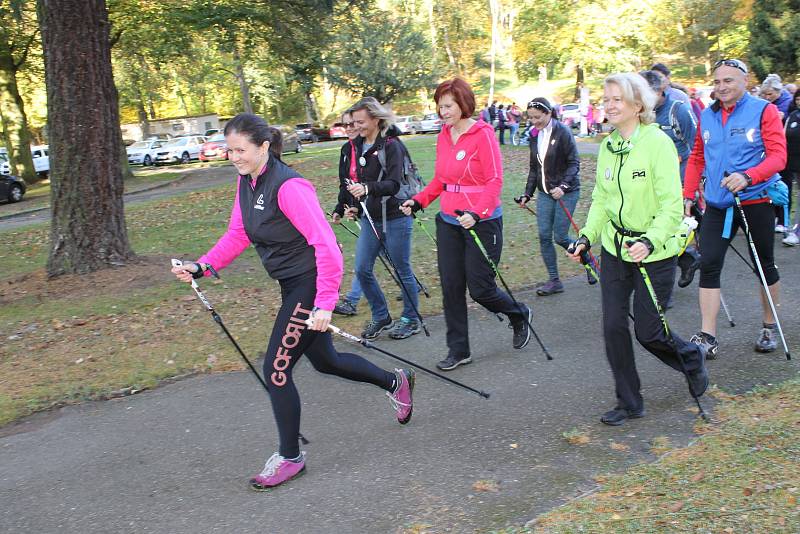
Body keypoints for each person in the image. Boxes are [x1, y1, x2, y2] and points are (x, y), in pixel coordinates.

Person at [170, 114, 415, 490]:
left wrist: (325, 303)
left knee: (276, 370)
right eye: (229, 150)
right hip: (291, 284)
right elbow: (238, 234)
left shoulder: (290, 187)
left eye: (241, 150)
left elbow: (327, 246)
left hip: (310, 283)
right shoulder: (246, 182)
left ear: (264, 146)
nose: (233, 157)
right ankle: (395, 381)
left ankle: (290, 457)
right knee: (326, 361)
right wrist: (202, 266)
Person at [567, 72, 708, 426]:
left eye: (617, 99)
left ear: (637, 105)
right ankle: (629, 402)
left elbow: (672, 206)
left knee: (649, 331)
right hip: (616, 249)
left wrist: (649, 241)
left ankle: (691, 359)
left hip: (653, 252)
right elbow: (601, 199)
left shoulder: (656, 143)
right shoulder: (608, 146)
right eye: (606, 99)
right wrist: (587, 236)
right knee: (613, 325)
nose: (610, 105)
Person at [400, 78, 533, 371]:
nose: (442, 111)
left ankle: (518, 313)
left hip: (481, 222)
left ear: (463, 104)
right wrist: (419, 201)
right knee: (451, 287)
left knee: (481, 289)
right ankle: (458, 350)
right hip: (449, 222)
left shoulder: (482, 134)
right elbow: (440, 180)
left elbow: (494, 180)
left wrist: (477, 212)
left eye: (447, 106)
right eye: (440, 106)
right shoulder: (444, 135)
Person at [683, 59, 787, 357]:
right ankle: (707, 336)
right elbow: (697, 157)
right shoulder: (708, 115)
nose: (721, 87)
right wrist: (688, 193)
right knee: (709, 263)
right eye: (717, 82)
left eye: (728, 80)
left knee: (764, 264)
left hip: (755, 201)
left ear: (744, 80)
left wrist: (748, 175)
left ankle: (769, 326)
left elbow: (779, 156)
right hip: (718, 204)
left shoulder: (763, 110)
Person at [346, 97, 421, 340]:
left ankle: (411, 318)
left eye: (361, 122)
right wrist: (354, 206)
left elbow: (393, 183)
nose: (357, 126)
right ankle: (381, 316)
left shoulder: (391, 145)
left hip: (397, 216)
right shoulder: (357, 145)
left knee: (402, 270)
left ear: (376, 120)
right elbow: (356, 179)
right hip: (371, 217)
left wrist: (366, 189)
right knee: (362, 268)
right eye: (354, 122)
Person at [517, 97, 583, 295]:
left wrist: (563, 186)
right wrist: (527, 194)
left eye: (537, 117)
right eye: (531, 118)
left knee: (560, 236)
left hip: (567, 192)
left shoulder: (563, 132)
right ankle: (554, 281)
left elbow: (574, 163)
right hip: (545, 193)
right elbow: (534, 168)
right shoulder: (534, 135)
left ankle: (586, 259)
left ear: (548, 113)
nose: (534, 121)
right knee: (544, 236)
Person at [641, 70, 700, 289]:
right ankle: (688, 259)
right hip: (651, 182)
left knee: (665, 228)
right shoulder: (641, 114)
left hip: (679, 181)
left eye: (644, 93)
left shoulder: (678, 110)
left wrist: (695, 183)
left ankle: (662, 287)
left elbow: (696, 146)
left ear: (659, 90)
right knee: (655, 229)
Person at [331, 109, 363, 316]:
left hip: (381, 210)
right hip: (360, 210)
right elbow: (345, 183)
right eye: (345, 125)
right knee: (375, 256)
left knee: (364, 260)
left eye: (353, 124)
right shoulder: (346, 149)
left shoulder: (370, 147)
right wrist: (339, 209)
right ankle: (412, 287)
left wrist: (358, 207)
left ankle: (352, 300)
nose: (349, 128)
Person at [780, 90, 800, 246]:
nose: (799, 101)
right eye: (797, 99)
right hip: (793, 162)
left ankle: (795, 231)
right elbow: (783, 135)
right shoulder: (793, 115)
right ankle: (794, 230)